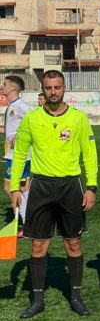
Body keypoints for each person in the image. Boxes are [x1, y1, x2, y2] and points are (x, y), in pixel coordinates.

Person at [10, 69, 98, 318]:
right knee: (38, 244)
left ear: (64, 88)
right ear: (42, 89)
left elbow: (89, 154)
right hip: (41, 186)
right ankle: (37, 300)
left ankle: (76, 297)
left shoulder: (78, 118)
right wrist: (15, 187)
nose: (53, 92)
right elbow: (19, 155)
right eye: (48, 88)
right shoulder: (32, 118)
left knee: (73, 242)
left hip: (70, 186)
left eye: (57, 87)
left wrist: (91, 187)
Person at [0, 75, 31, 235]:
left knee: (10, 187)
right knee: (23, 188)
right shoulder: (13, 106)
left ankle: (29, 222)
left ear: (13, 87)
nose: (2, 86)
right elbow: (10, 129)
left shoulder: (21, 106)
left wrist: (19, 135)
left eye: (4, 84)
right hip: (14, 155)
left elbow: (33, 121)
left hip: (19, 156)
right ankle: (31, 220)